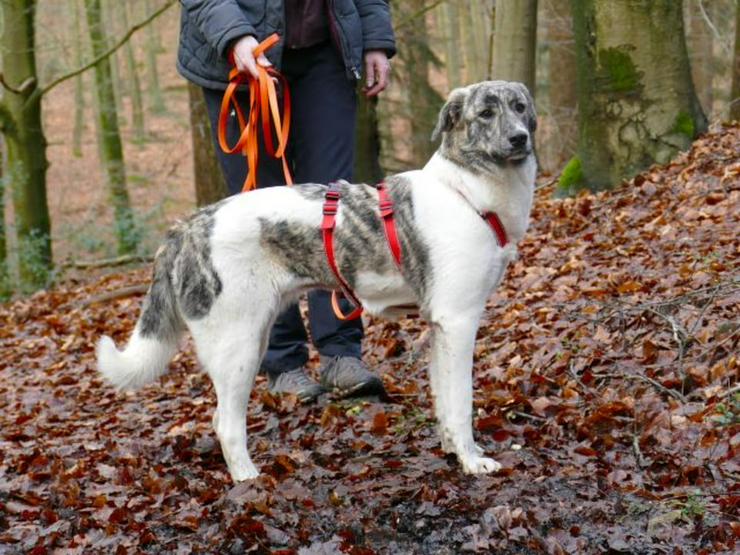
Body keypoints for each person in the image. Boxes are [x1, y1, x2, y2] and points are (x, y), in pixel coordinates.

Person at [177, 1, 396, 402]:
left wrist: (375, 38)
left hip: (325, 51)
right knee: (262, 215)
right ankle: (282, 362)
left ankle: (341, 352)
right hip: (239, 59)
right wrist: (234, 35)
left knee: (333, 206)